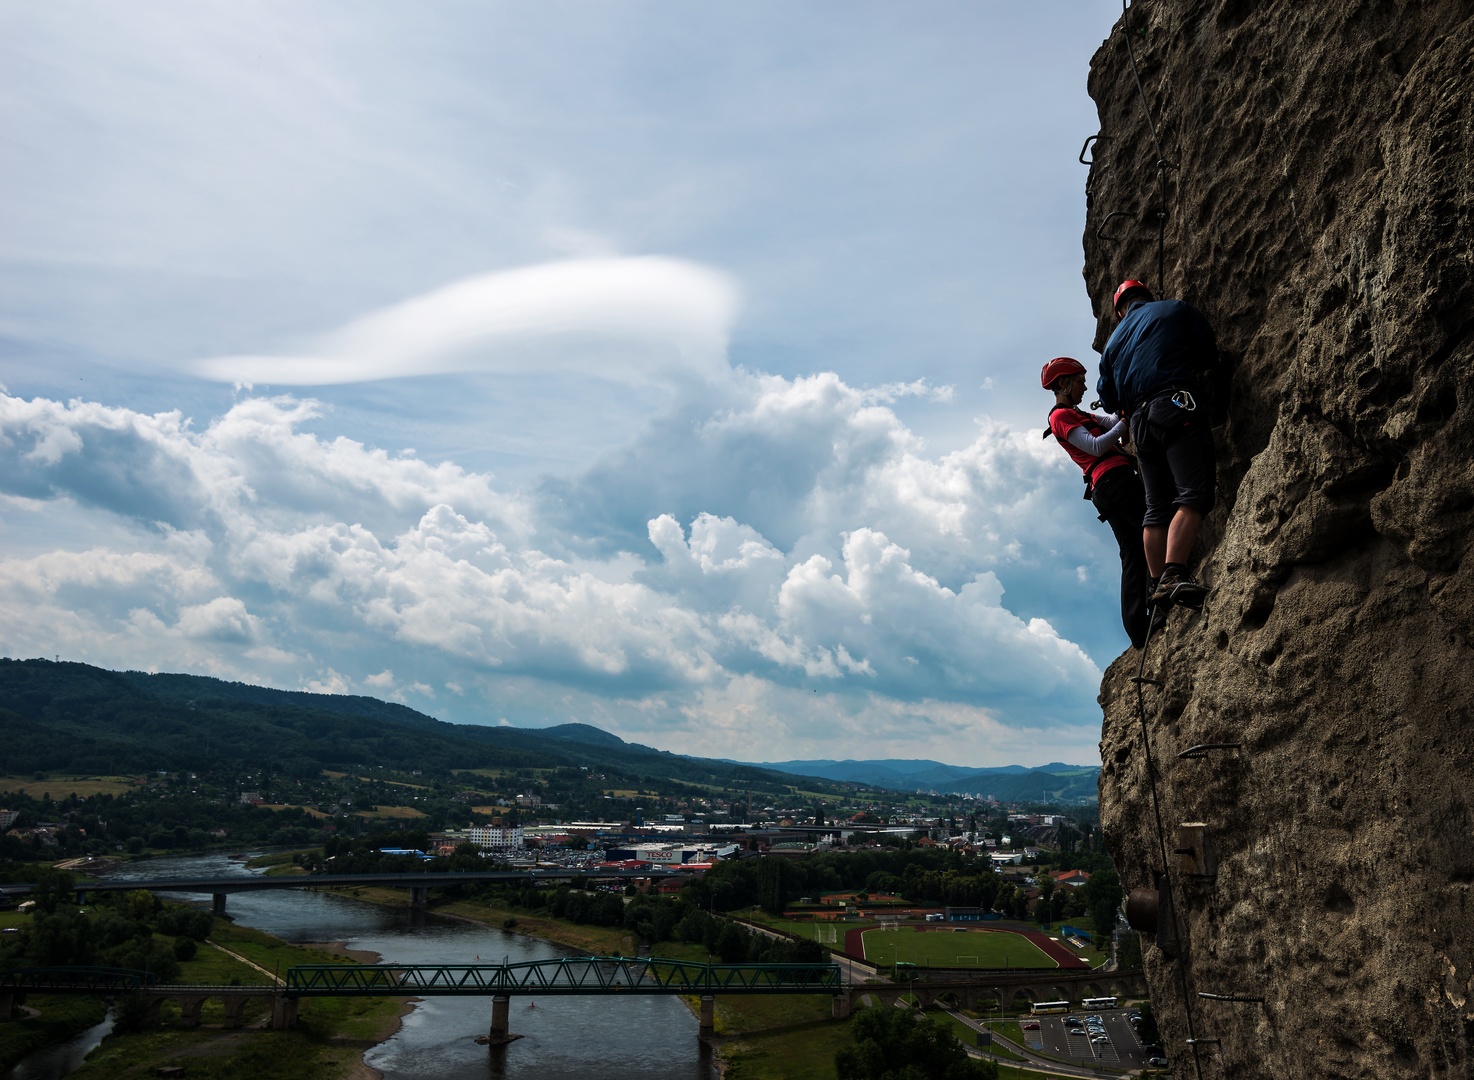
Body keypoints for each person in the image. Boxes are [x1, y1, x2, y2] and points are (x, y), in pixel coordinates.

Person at [1096, 280, 1218, 610]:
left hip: (1140, 424)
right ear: (1147, 297)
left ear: (1120, 311)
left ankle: (1156, 585)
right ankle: (1173, 573)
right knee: (1193, 492)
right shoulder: (1174, 308)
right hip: (1176, 405)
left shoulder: (1111, 346)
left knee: (1156, 506)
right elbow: (1207, 352)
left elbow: (1108, 400)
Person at [1041, 356, 1152, 648]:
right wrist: (1125, 423)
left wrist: (1123, 409)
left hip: (1106, 487)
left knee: (1132, 552)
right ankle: (1161, 595)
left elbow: (1111, 422)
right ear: (1064, 383)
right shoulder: (1060, 417)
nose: (1085, 386)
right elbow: (1095, 445)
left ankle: (1139, 629)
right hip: (1114, 480)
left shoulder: (1078, 414)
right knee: (1153, 526)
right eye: (1080, 381)